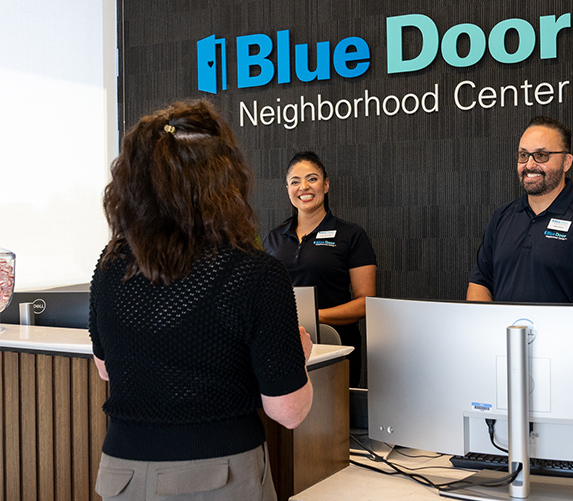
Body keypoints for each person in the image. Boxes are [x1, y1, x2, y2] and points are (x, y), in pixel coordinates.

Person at [88, 99, 313, 500]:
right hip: (219, 477)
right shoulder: (255, 273)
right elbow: (288, 411)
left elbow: (107, 369)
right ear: (225, 180)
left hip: (120, 476)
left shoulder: (109, 268)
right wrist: (295, 355)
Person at [467, 116, 573, 304]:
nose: (530, 165)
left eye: (541, 155)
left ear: (566, 162)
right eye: (523, 155)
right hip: (505, 333)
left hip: (562, 334)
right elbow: (479, 284)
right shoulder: (501, 217)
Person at [264, 152, 376, 387]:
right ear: (287, 188)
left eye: (312, 179)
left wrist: (313, 318)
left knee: (331, 420)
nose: (303, 186)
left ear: (325, 185)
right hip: (281, 346)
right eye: (295, 181)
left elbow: (366, 302)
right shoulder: (273, 239)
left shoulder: (351, 235)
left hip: (335, 346)